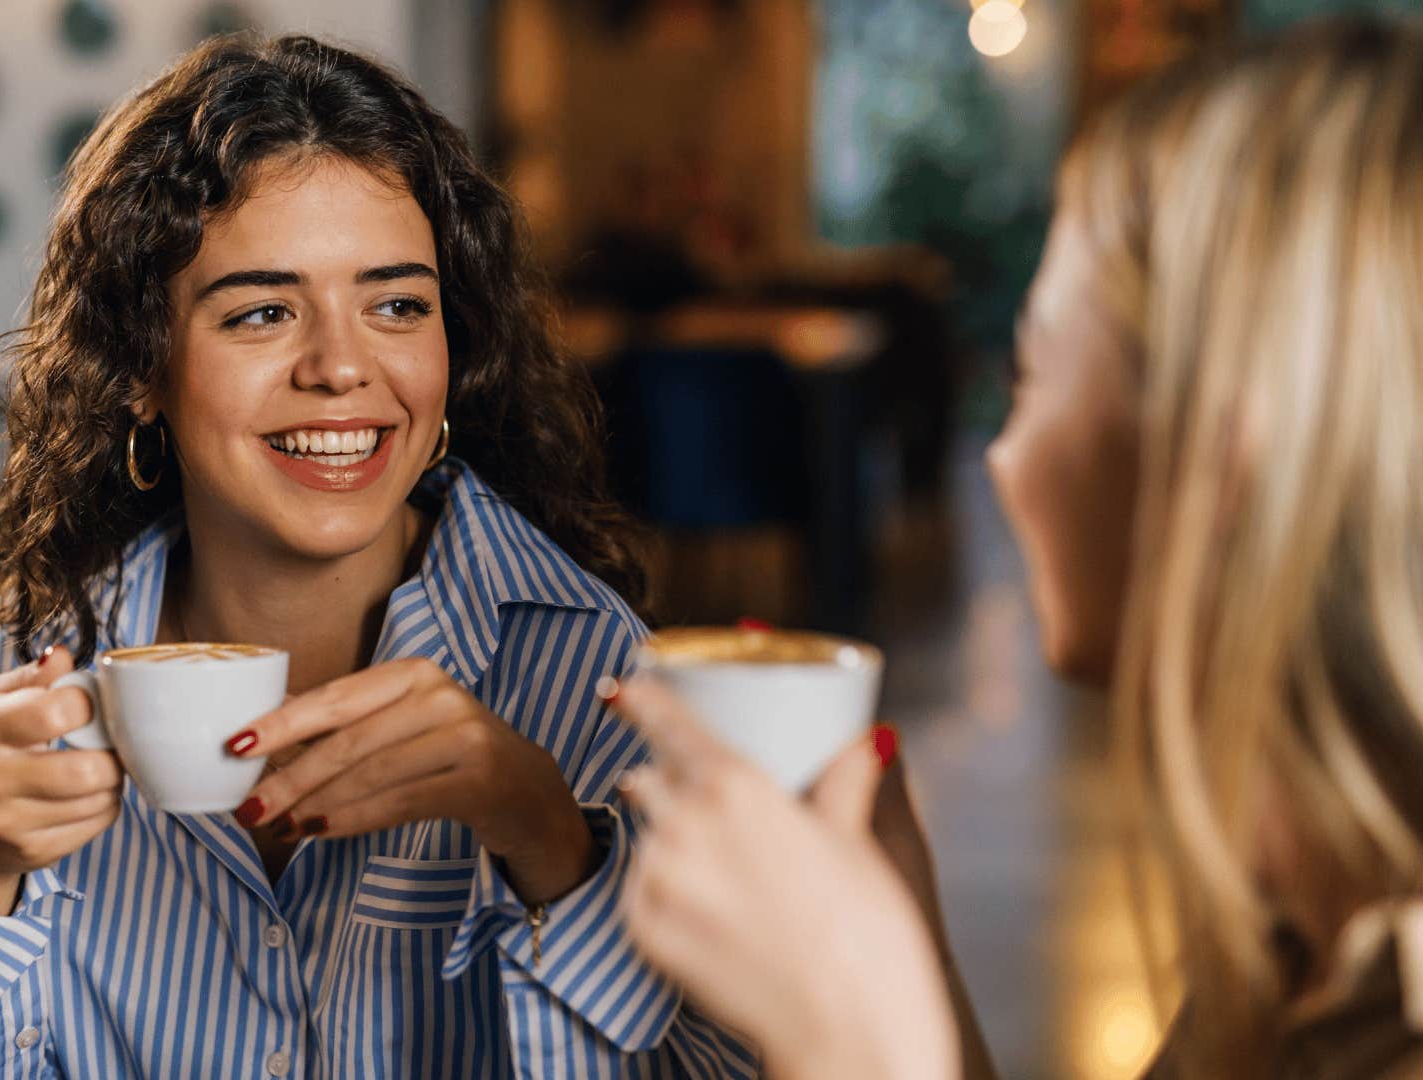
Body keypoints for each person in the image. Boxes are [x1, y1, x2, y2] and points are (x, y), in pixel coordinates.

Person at [0, 33, 756, 1078]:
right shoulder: (35, 656)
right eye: (261, 312)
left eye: (397, 304)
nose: (343, 367)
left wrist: (547, 842)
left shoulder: (583, 666)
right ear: (139, 371)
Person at [610, 16, 1423, 1080]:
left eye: (1032, 377)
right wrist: (906, 960)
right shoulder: (1300, 947)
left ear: (1219, 455)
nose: (1000, 462)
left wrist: (854, 1049)